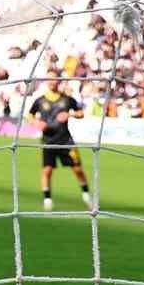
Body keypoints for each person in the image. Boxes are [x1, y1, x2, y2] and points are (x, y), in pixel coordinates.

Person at [27, 78, 91, 211]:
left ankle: (86, 195)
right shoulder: (40, 100)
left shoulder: (67, 99)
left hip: (65, 140)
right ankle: (47, 199)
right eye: (49, 79)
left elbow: (81, 113)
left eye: (54, 80)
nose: (52, 82)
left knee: (77, 169)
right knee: (47, 170)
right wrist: (36, 123)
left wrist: (70, 114)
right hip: (48, 141)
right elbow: (30, 115)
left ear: (59, 82)